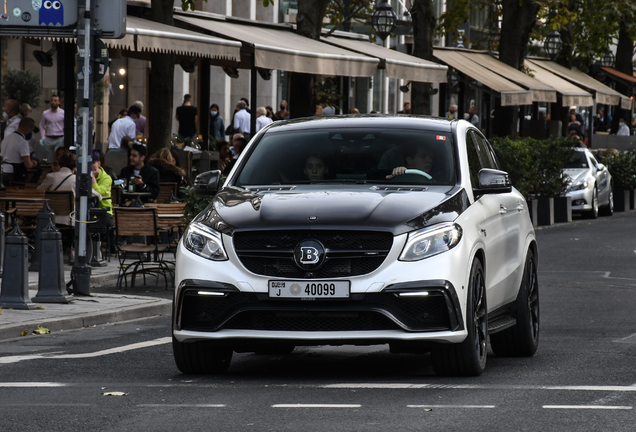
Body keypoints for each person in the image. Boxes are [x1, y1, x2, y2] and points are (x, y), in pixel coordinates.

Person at [1, 117, 38, 184]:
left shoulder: (6, 139)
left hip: (4, 172)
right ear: (27, 128)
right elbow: (28, 164)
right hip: (15, 174)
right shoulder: (22, 142)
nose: (30, 133)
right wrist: (34, 163)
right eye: (31, 130)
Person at [39, 95, 65, 161]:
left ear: (59, 102)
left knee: (58, 156)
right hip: (49, 138)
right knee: (49, 158)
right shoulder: (45, 113)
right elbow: (42, 125)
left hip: (59, 137)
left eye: (55, 101)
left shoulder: (63, 113)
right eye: (52, 100)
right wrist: (43, 137)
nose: (53, 102)